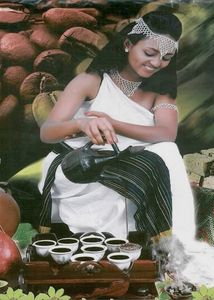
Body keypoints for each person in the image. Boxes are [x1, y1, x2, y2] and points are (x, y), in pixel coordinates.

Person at [38, 10, 196, 245]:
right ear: (127, 44)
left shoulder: (160, 93)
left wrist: (114, 124)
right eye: (149, 53)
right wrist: (83, 123)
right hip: (83, 164)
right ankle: (160, 248)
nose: (156, 63)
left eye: (166, 57)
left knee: (167, 152)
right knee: (151, 165)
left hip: (135, 163)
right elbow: (47, 132)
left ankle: (175, 248)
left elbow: (167, 134)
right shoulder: (91, 82)